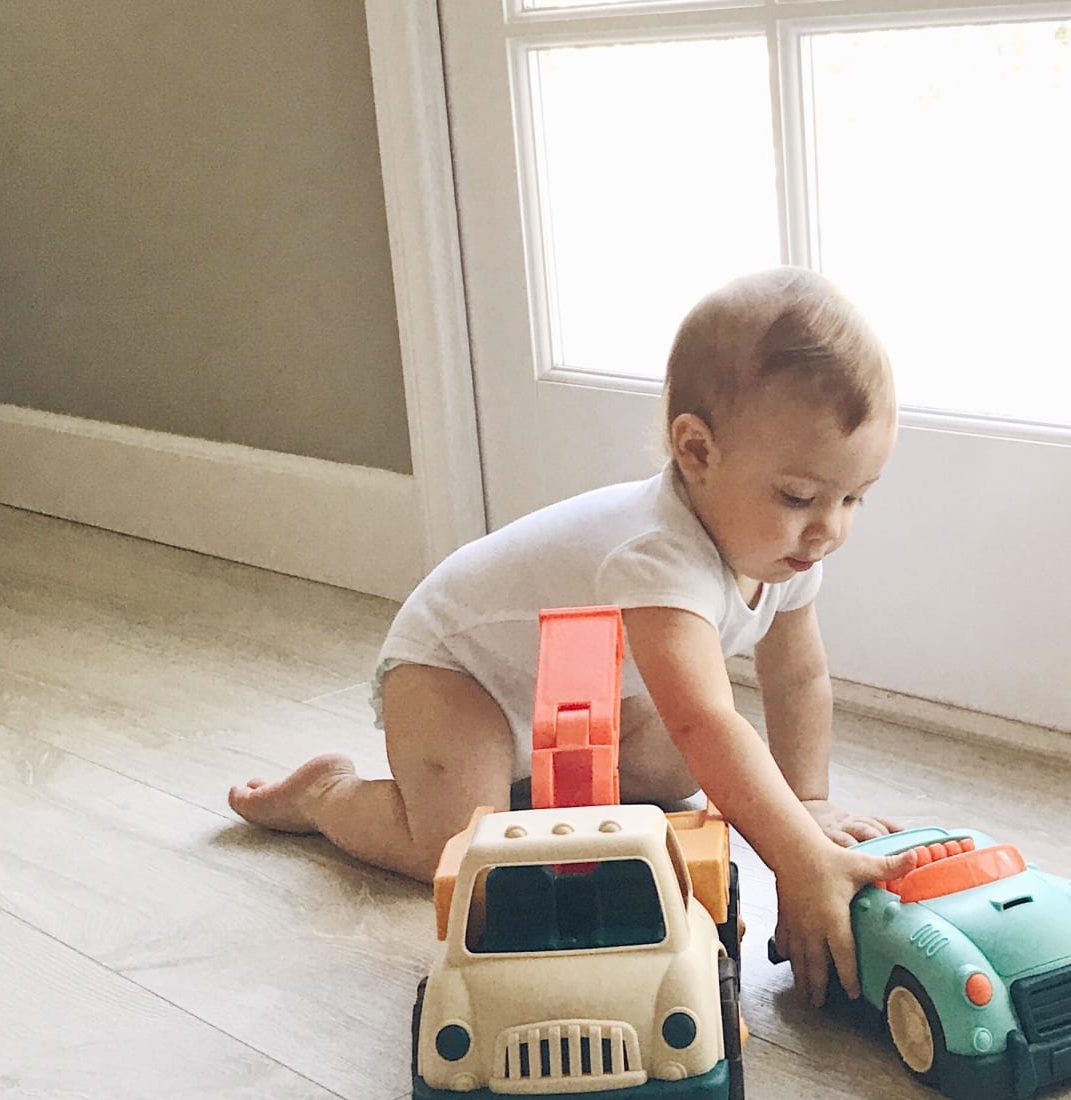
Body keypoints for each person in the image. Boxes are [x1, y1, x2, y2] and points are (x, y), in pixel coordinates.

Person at [229, 267, 915, 1005]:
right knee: (466, 863)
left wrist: (807, 803)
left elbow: (797, 678)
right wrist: (797, 858)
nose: (830, 528)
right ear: (697, 451)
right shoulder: (657, 554)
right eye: (799, 496)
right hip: (457, 676)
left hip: (573, 690)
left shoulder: (785, 551)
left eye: (854, 498)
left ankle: (515, 782)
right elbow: (706, 716)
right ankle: (329, 796)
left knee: (673, 775)